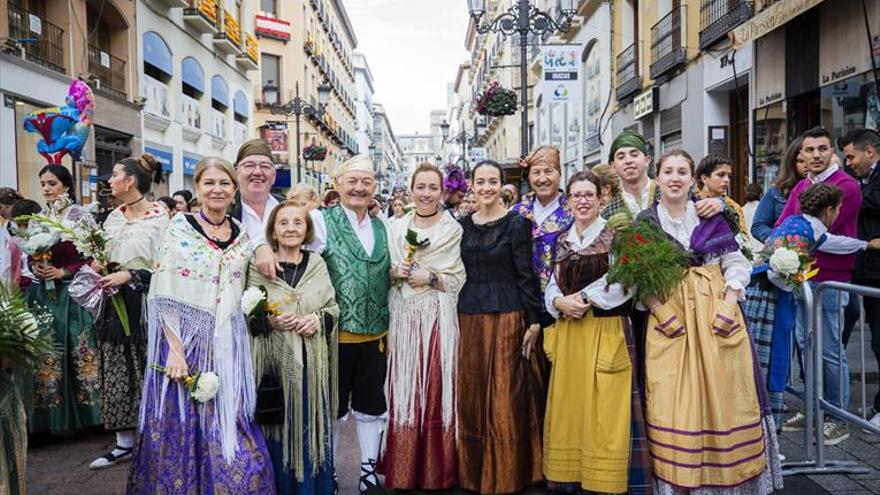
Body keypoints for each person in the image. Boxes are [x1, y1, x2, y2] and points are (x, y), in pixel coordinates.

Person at [633, 150, 783, 494]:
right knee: (672, 397)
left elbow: (735, 261)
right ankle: (678, 482)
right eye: (668, 171)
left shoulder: (709, 215)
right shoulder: (646, 221)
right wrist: (660, 311)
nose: (674, 177)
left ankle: (726, 480)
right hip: (670, 315)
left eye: (681, 171)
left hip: (716, 309)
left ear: (692, 178)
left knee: (726, 395)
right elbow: (638, 276)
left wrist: (730, 303)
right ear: (658, 177)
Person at [126, 157, 275, 493]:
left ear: (235, 190)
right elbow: (164, 293)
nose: (217, 190)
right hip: (184, 343)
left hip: (228, 344)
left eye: (224, 183)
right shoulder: (179, 228)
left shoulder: (241, 235)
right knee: (183, 427)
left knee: (233, 426)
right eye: (209, 183)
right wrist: (176, 353)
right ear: (198, 189)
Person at [542, 170, 652, 494]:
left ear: (601, 198)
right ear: (568, 201)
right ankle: (571, 476)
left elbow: (625, 281)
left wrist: (586, 298)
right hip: (571, 334)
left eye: (589, 194)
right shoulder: (561, 239)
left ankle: (603, 480)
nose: (583, 201)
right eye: (576, 195)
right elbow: (550, 283)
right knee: (572, 406)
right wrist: (560, 301)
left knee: (606, 409)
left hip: (607, 330)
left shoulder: (617, 235)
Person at [457, 160, 544, 494]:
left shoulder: (517, 225)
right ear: (472, 185)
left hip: (508, 314)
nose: (487, 187)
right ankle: (473, 472)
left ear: (501, 185)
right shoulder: (462, 225)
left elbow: (526, 273)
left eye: (493, 181)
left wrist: (533, 320)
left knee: (505, 395)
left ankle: (509, 472)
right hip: (469, 316)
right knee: (473, 393)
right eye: (481, 181)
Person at [306, 155, 391, 494]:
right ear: (337, 184)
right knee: (334, 409)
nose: (359, 188)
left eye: (366, 182)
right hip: (334, 336)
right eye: (352, 181)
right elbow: (300, 262)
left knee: (372, 405)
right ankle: (331, 473)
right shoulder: (321, 220)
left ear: (374, 188)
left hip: (376, 334)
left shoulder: (383, 225)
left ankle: (368, 471)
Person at [776, 127, 862, 445]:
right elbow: (784, 227)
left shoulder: (847, 187)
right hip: (800, 279)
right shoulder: (801, 184)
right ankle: (814, 409)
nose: (815, 155)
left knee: (829, 350)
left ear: (831, 152)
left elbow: (816, 232)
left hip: (830, 278)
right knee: (806, 346)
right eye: (809, 150)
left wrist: (793, 236)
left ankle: (837, 417)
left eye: (821, 149)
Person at [247, 201, 338, 493]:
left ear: (307, 230)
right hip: (274, 366)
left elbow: (333, 308)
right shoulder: (258, 265)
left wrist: (315, 319)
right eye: (283, 222)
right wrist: (270, 322)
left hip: (312, 365)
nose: (290, 228)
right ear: (272, 229)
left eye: (298, 223)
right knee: (277, 431)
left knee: (312, 427)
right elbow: (246, 313)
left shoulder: (317, 264)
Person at [384, 163, 465, 490]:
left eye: (433, 188)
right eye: (421, 187)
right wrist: (395, 272)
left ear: (442, 192)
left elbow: (460, 278)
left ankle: (437, 473)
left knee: (434, 389)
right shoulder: (393, 227)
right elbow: (384, 273)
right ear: (411, 189)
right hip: (403, 316)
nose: (426, 194)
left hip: (437, 318)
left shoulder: (453, 230)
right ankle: (404, 471)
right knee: (404, 391)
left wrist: (431, 277)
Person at [88, 154, 170, 470]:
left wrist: (131, 275)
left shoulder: (160, 219)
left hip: (144, 303)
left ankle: (157, 437)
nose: (109, 181)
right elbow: (103, 253)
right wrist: (97, 265)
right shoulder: (112, 218)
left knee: (148, 365)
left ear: (130, 181)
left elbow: (167, 267)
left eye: (115, 175)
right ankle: (124, 442)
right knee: (117, 365)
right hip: (112, 301)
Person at [25, 165, 102, 434]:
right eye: (43, 183)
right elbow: (29, 255)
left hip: (73, 294)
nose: (46, 188)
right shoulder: (37, 220)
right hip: (44, 296)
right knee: (47, 352)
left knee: (79, 349)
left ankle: (89, 417)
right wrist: (36, 266)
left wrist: (63, 271)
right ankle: (51, 418)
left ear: (66, 186)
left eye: (52, 183)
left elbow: (95, 256)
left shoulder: (80, 217)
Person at [743, 138, 807, 426]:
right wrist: (782, 245)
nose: (809, 163)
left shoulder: (825, 191)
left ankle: (817, 406)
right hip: (778, 277)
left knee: (810, 341)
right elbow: (758, 225)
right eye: (802, 158)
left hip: (813, 276)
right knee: (783, 344)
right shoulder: (777, 193)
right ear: (792, 161)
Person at [511, 146, 574, 324]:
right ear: (528, 177)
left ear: (559, 174)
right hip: (522, 306)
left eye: (549, 171)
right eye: (536, 172)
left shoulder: (574, 211)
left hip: (563, 305)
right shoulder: (516, 212)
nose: (542, 179)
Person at [842, 128, 880, 427]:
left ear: (870, 152)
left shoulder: (866, 184)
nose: (849, 162)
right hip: (863, 270)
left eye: (852, 156)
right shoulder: (862, 180)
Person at [229, 139, 286, 280]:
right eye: (249, 166)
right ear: (237, 172)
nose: (257, 172)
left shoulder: (288, 208)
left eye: (265, 166)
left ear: (273, 175)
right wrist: (258, 246)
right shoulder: (225, 211)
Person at [696, 153, 750, 244]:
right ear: (704, 178)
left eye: (728, 176)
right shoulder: (688, 202)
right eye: (721, 175)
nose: (726, 180)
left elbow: (744, 243)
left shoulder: (734, 208)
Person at [743, 182, 764, 253]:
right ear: (760, 194)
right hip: (762, 247)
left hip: (746, 249)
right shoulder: (764, 209)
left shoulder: (741, 210)